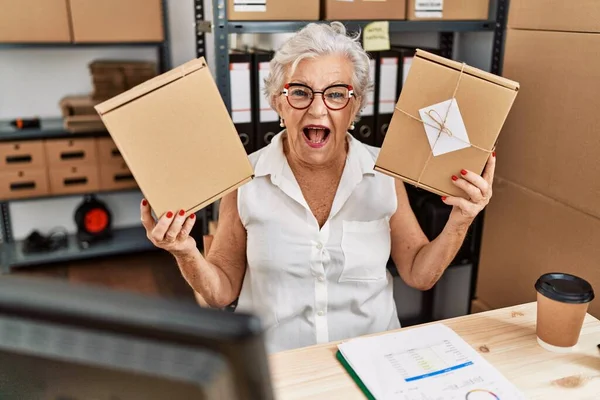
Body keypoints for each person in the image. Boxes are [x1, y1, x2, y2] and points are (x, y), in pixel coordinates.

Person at [140, 22, 496, 354]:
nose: (317, 109)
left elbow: (419, 273)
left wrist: (461, 220)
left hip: (370, 359)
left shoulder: (384, 172)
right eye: (300, 92)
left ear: (355, 106)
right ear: (278, 102)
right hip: (279, 365)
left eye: (336, 94)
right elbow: (222, 292)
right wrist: (185, 252)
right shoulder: (244, 176)